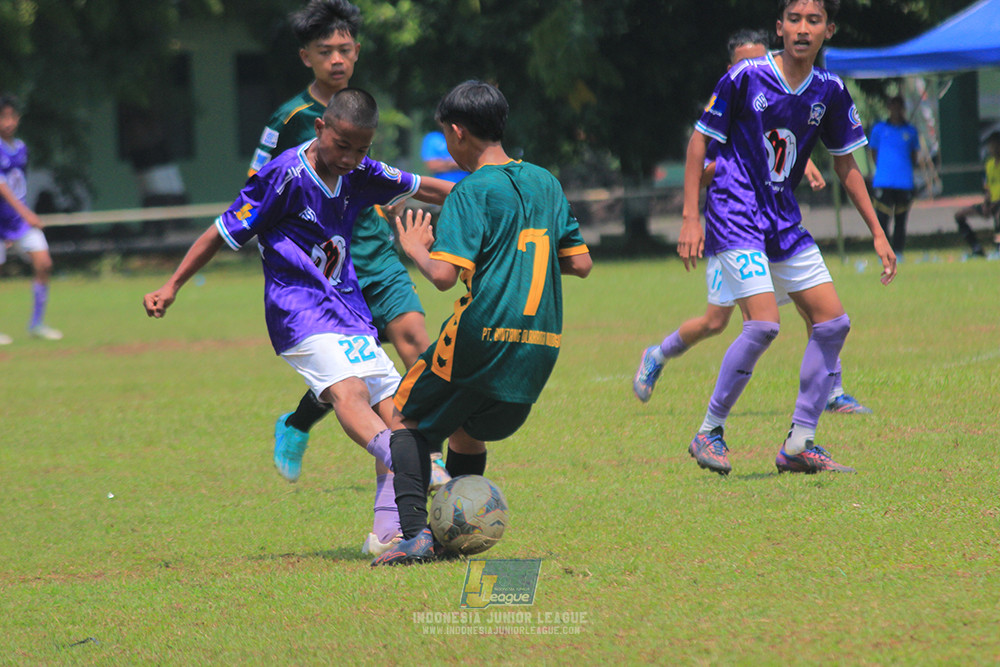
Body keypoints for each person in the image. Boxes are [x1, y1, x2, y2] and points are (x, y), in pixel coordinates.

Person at [144, 89, 454, 554]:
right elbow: (220, 231)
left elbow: (424, 186)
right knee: (351, 396)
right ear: (320, 128)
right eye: (342, 145)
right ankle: (413, 468)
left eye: (361, 149)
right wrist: (172, 285)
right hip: (298, 310)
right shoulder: (283, 175)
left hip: (349, 310)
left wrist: (489, 194)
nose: (350, 157)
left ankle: (387, 532)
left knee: (401, 418)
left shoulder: (360, 171)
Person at [371, 81, 592, 566]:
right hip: (539, 342)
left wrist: (415, 250)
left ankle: (415, 536)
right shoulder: (545, 182)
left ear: (457, 132)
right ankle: (457, 534)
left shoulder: (471, 190)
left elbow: (445, 278)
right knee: (465, 429)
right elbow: (581, 264)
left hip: (480, 335)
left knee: (404, 420)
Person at [673, 0, 896, 477]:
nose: (801, 28)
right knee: (764, 325)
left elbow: (846, 164)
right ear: (780, 27)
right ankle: (708, 431)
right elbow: (699, 141)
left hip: (782, 219)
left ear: (827, 30)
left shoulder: (830, 90)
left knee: (833, 324)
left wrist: (878, 232)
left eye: (813, 21)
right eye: (793, 20)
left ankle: (799, 442)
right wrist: (691, 216)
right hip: (735, 213)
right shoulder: (745, 76)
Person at [247, 0, 441, 491]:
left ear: (357, 52)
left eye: (345, 49)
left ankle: (418, 462)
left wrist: (390, 201)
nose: (337, 59)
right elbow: (255, 182)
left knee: (418, 346)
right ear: (305, 57)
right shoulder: (289, 116)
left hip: (376, 251)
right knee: (354, 376)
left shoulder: (360, 107)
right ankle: (297, 424)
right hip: (324, 268)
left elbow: (373, 175)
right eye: (325, 50)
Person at [633, 28, 872, 416]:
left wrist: (804, 161)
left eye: (759, 60)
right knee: (716, 321)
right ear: (731, 68)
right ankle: (658, 354)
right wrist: (703, 200)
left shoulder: (780, 97)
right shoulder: (728, 102)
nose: (754, 69)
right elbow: (706, 162)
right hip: (734, 226)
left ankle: (832, 389)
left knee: (812, 306)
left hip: (773, 225)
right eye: (744, 63)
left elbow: (780, 139)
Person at [0, 93, 62, 343]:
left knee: (44, 263)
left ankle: (36, 324)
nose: (7, 122)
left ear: (18, 118)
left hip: (19, 222)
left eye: (11, 116)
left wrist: (23, 215)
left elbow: (19, 185)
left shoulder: (21, 148)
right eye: (2, 117)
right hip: (8, 219)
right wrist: (27, 213)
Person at [869, 95, 920, 254]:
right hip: (884, 181)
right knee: (882, 219)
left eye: (899, 106)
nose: (896, 110)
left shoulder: (910, 131)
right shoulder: (879, 129)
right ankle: (884, 252)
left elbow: (914, 156)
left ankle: (898, 251)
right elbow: (874, 152)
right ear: (889, 108)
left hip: (904, 182)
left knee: (901, 220)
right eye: (893, 106)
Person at [953, 130, 1000, 257]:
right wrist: (986, 204)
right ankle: (976, 248)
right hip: (992, 203)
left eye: (996, 145)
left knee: (998, 215)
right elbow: (988, 188)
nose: (993, 148)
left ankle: (998, 248)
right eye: (991, 145)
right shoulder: (989, 164)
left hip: (998, 205)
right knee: (959, 215)